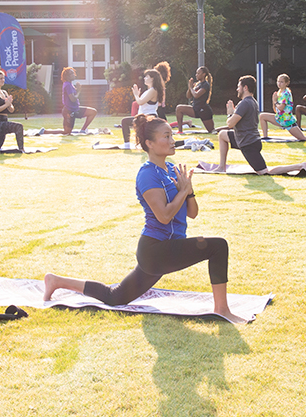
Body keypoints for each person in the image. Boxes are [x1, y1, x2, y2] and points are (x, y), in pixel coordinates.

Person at [43, 115, 246, 324]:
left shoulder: (170, 171)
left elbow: (192, 213)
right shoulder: (147, 175)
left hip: (166, 249)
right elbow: (164, 216)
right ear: (149, 143)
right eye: (166, 136)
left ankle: (56, 281)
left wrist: (189, 192)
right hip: (156, 250)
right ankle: (222, 309)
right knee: (218, 247)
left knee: (115, 296)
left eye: (171, 135)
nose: (172, 140)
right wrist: (182, 192)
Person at [214, 75, 306, 175]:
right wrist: (233, 112)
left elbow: (230, 124)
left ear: (245, 88)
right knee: (222, 135)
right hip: (243, 138)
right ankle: (221, 167)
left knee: (264, 172)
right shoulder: (252, 102)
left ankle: (299, 166)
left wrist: (229, 113)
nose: (237, 89)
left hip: (248, 144)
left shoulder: (244, 103)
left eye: (239, 86)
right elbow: (241, 118)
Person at [258, 73, 306, 142]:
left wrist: (275, 101)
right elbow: (276, 110)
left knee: (304, 139)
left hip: (287, 121)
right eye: (278, 81)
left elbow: (281, 108)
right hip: (280, 118)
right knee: (262, 116)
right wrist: (274, 102)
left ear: (287, 83)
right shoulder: (279, 92)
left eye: (282, 82)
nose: (279, 83)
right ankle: (265, 137)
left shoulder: (286, 93)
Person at [121, 69, 162, 143]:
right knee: (126, 121)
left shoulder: (153, 90)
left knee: (124, 121)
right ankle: (128, 143)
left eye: (147, 77)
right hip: (145, 116)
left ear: (152, 78)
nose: (144, 78)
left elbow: (140, 102)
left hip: (148, 117)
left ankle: (127, 143)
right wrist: (138, 95)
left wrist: (136, 95)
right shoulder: (150, 90)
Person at [175, 66, 216, 133]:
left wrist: (191, 88)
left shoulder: (205, 84)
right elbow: (188, 96)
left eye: (198, 73)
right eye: (196, 73)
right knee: (179, 108)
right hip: (195, 109)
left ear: (204, 74)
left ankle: (227, 129)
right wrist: (189, 88)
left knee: (212, 131)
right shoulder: (198, 84)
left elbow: (196, 95)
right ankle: (180, 131)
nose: (196, 75)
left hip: (204, 111)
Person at [60, 66, 97, 134]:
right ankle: (45, 131)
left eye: (73, 73)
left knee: (93, 112)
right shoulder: (67, 85)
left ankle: (83, 130)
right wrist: (79, 91)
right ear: (67, 76)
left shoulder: (69, 84)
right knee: (67, 132)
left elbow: (72, 95)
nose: (74, 75)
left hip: (75, 109)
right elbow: (73, 99)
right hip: (69, 111)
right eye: (72, 74)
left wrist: (77, 89)